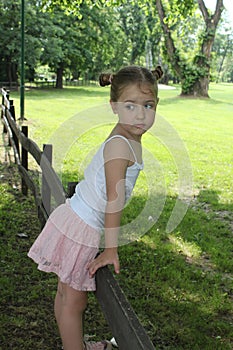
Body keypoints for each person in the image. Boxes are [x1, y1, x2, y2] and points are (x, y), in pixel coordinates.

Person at [28, 65, 163, 350]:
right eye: (130, 105)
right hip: (83, 225)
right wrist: (111, 249)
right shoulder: (120, 146)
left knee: (66, 294)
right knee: (73, 301)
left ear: (157, 105)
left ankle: (73, 344)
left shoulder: (126, 135)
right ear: (113, 106)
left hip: (73, 216)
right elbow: (113, 202)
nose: (140, 114)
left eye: (148, 105)